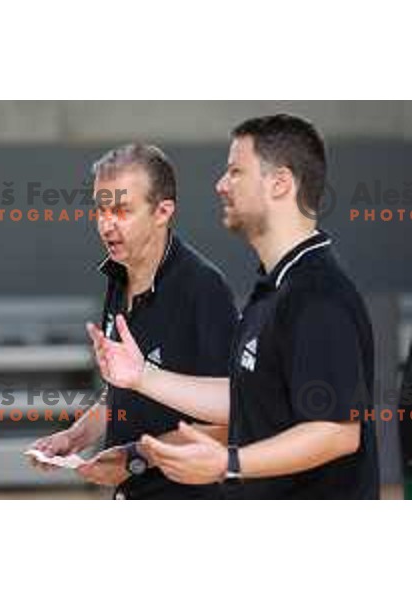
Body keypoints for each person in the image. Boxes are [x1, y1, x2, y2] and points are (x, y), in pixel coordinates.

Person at [88, 115, 380, 499]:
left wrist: (231, 463)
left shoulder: (317, 293)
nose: (221, 185)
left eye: (235, 172)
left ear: (280, 183)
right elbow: (243, 398)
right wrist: (142, 377)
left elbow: (336, 433)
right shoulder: (272, 288)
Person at [28, 143, 238, 499]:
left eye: (122, 210)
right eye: (100, 210)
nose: (106, 224)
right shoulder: (118, 277)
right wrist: (73, 437)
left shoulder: (203, 289)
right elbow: (120, 395)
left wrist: (134, 458)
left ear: (162, 211)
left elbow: (232, 417)